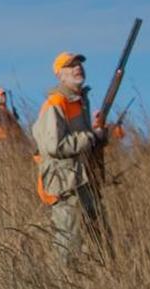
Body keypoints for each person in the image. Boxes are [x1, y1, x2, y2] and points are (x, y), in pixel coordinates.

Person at [32, 52, 111, 263]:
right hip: (64, 182)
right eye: (70, 66)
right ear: (60, 75)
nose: (78, 68)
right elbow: (54, 145)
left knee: (100, 234)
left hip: (83, 179)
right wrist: (91, 136)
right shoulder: (56, 102)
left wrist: (97, 133)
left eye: (79, 64)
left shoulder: (79, 101)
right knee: (68, 242)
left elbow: (83, 141)